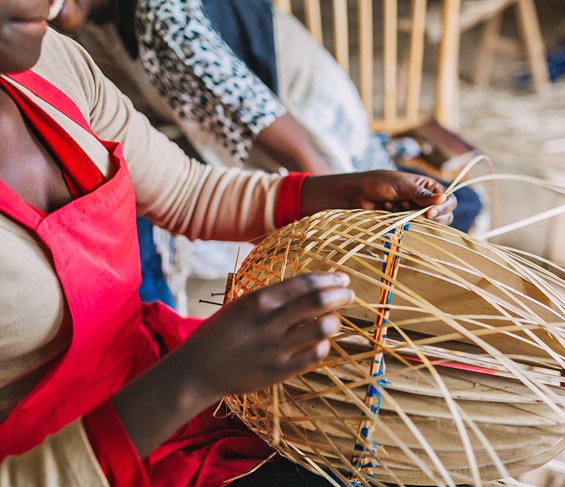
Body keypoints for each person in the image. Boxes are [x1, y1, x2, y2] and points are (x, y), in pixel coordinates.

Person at [0, 0, 456, 484]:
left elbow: (183, 191)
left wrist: (339, 191)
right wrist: (190, 379)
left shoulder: (54, 63)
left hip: (155, 371)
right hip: (83, 454)